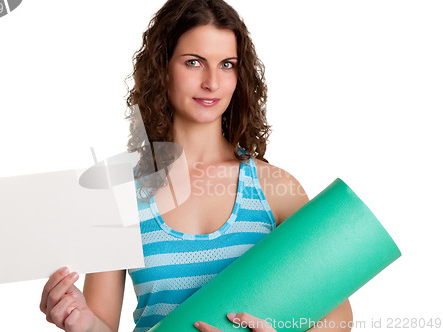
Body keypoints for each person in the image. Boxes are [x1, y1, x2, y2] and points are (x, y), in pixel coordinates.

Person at [39, 0, 353, 331]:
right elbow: (99, 327)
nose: (212, 83)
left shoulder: (275, 189)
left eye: (227, 64)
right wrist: (79, 320)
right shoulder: (120, 200)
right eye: (194, 62)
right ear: (162, 67)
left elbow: (338, 314)